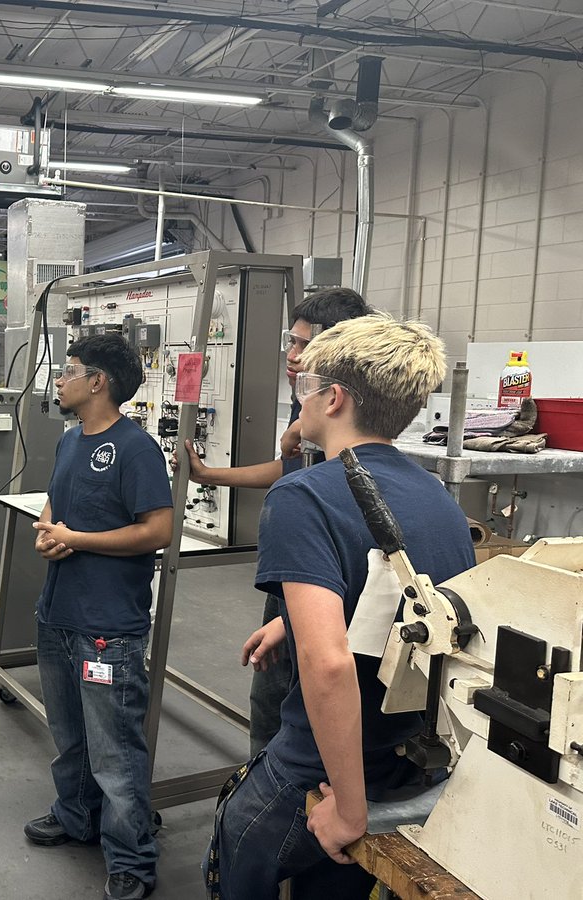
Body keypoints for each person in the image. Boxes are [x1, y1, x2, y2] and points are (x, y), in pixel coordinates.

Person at [203, 315, 475, 899]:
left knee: (235, 835)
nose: (298, 397)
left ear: (333, 399)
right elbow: (404, 597)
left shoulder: (301, 495)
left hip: (327, 766)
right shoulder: (437, 496)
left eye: (306, 384)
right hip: (410, 760)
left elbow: (328, 664)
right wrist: (291, 619)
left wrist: (350, 809)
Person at [183, 287, 371, 755]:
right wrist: (209, 475)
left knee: (307, 700)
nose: (292, 354)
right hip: (298, 573)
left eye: (305, 344)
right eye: (292, 340)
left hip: (329, 571)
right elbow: (289, 467)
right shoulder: (305, 401)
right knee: (272, 698)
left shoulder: (349, 422)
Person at [23, 333, 174, 900]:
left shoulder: (136, 450)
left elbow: (158, 530)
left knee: (115, 749)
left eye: (69, 370)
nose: (60, 380)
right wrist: (48, 534)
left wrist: (79, 539)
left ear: (97, 381)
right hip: (59, 613)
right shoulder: (69, 441)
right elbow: (56, 503)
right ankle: (76, 814)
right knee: (69, 734)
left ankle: (132, 856)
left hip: (107, 627)